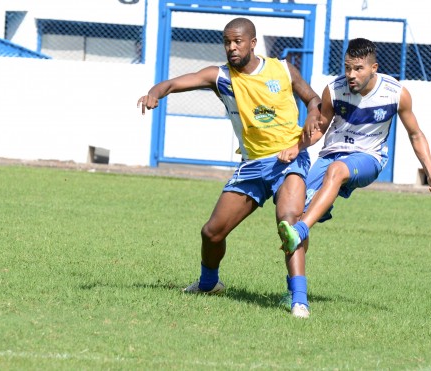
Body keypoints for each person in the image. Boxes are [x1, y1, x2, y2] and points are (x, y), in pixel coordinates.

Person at [137, 17, 321, 318]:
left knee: (289, 223)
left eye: (237, 41)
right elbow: (173, 82)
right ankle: (209, 284)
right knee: (211, 233)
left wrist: (313, 112)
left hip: (288, 159)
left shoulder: (282, 69)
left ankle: (298, 298)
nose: (231, 47)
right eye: (226, 42)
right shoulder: (220, 76)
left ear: (252, 42)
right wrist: (155, 93)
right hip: (251, 166)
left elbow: (312, 98)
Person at [277, 37, 431, 252]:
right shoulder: (334, 90)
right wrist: (296, 148)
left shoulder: (396, 94)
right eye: (347, 68)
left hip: (369, 157)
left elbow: (415, 134)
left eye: (358, 69)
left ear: (373, 68)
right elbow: (320, 127)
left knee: (335, 173)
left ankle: (301, 230)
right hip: (331, 154)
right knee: (295, 210)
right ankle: (296, 284)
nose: (351, 75)